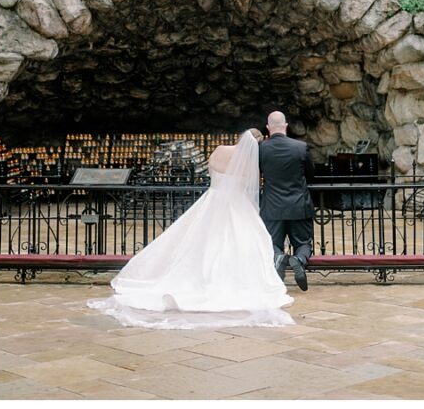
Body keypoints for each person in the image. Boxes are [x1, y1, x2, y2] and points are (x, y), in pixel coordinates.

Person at [88, 130, 294, 329]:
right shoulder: (251, 165)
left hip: (212, 201)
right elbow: (251, 191)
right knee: (241, 243)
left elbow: (210, 173)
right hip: (237, 206)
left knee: (199, 242)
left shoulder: (220, 150)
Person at [259, 110, 314, 291]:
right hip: (299, 204)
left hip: (273, 206)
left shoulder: (262, 149)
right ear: (285, 126)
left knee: (272, 243)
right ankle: (298, 260)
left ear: (268, 128)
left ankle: (279, 257)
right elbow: (311, 174)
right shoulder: (301, 147)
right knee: (304, 243)